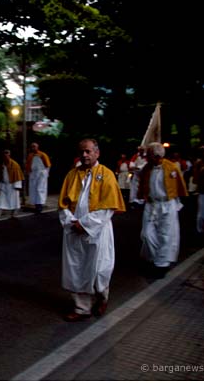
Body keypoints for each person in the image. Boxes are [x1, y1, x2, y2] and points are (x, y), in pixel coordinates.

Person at [58, 138, 126, 322]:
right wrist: (72, 222)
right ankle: (82, 308)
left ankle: (102, 296)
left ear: (97, 153)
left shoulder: (107, 174)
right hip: (74, 230)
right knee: (77, 269)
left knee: (99, 269)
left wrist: (86, 224)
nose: (84, 155)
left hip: (98, 230)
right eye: (81, 151)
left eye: (88, 151)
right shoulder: (72, 175)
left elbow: (108, 207)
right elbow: (63, 204)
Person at [137, 142, 188, 278]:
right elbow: (140, 180)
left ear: (157, 156)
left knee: (165, 235)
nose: (147, 158)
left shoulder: (171, 167)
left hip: (167, 205)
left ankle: (161, 264)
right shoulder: (147, 168)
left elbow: (179, 186)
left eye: (149, 155)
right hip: (151, 205)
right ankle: (154, 257)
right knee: (147, 234)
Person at [0, 149, 24, 219]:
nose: (5, 156)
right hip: (4, 185)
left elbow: (18, 176)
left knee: (15, 200)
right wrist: (0, 184)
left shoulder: (14, 164)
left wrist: (17, 185)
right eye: (4, 154)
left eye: (7, 154)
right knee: (1, 200)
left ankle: (14, 214)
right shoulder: (2, 164)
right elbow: (0, 175)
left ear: (9, 155)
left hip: (12, 185)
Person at [26, 142, 51, 214]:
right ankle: (36, 205)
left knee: (40, 189)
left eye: (34, 146)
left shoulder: (43, 155)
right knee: (33, 189)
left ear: (37, 147)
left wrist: (46, 174)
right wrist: (28, 173)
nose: (33, 148)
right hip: (33, 174)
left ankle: (40, 205)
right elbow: (28, 165)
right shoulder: (30, 155)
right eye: (32, 146)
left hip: (41, 174)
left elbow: (48, 166)